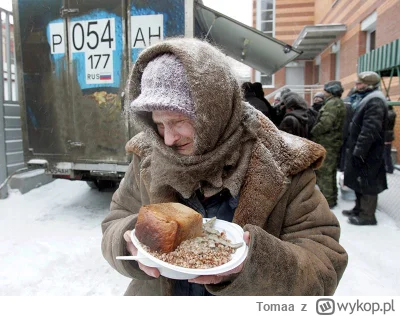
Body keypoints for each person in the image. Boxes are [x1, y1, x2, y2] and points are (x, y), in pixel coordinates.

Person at [101, 38, 348, 296]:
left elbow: (325, 263)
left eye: (178, 121)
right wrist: (126, 241)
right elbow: (115, 220)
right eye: (159, 124)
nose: (168, 139)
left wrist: (253, 268)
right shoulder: (148, 155)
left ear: (214, 111)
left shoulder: (284, 162)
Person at [342, 71, 388, 225]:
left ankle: (367, 216)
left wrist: (359, 151)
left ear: (369, 85)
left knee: (368, 183)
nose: (356, 85)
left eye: (359, 83)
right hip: (361, 150)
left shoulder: (375, 101)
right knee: (358, 181)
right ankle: (358, 209)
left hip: (368, 153)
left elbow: (370, 130)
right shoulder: (366, 98)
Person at [310, 81, 346, 208]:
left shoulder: (332, 104)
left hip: (328, 142)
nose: (324, 92)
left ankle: (327, 201)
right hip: (332, 142)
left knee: (325, 172)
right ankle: (331, 199)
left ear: (330, 91)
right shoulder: (337, 102)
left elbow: (326, 123)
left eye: (325, 90)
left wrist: (312, 132)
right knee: (329, 172)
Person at [384, 104, 397, 173]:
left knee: (386, 153)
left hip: (386, 135)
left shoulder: (388, 114)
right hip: (389, 135)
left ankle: (389, 168)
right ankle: (389, 167)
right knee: (387, 153)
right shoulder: (393, 113)